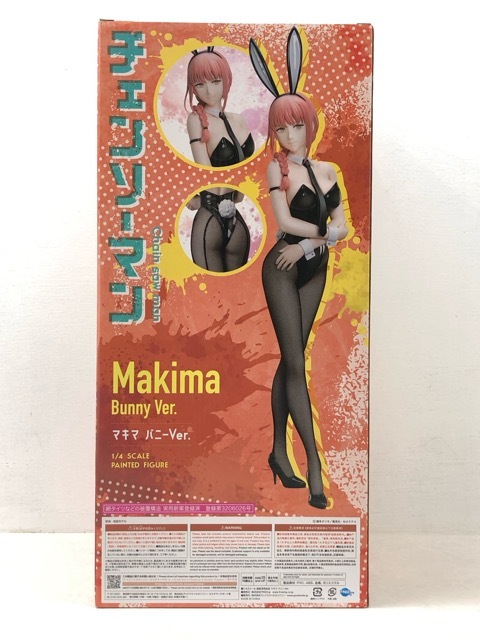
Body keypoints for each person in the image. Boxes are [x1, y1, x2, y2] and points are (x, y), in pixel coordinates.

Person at [250, 28, 348, 508]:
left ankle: (276, 451)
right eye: (282, 130)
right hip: (282, 267)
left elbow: (343, 227)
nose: (291, 136)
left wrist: (313, 243)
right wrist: (320, 235)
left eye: (297, 127)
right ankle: (313, 466)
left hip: (311, 264)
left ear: (310, 125)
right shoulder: (278, 170)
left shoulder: (328, 171)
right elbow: (284, 222)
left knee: (291, 360)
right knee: (295, 364)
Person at [185, 48, 254, 272]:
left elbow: (248, 173)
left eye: (216, 81)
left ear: (226, 80)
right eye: (200, 84)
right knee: (216, 290)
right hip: (216, 212)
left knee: (232, 290)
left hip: (225, 216)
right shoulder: (196, 119)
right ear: (192, 87)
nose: (209, 90)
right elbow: (204, 171)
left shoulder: (239, 119)